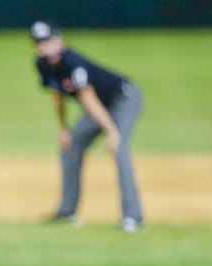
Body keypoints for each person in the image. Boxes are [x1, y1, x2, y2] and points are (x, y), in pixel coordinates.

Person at [30, 20, 145, 232]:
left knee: (119, 148)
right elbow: (57, 96)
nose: (46, 47)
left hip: (124, 99)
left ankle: (133, 217)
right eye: (41, 43)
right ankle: (67, 211)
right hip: (98, 108)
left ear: (60, 41)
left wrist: (112, 132)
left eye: (49, 41)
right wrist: (63, 128)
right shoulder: (43, 64)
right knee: (70, 145)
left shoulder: (73, 64)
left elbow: (88, 98)